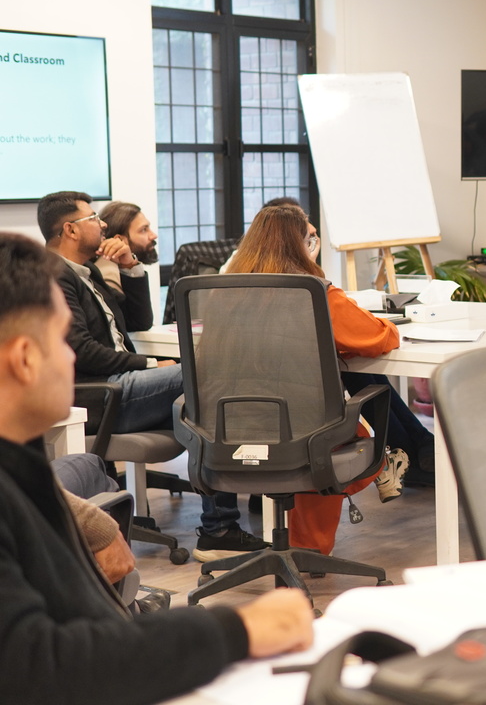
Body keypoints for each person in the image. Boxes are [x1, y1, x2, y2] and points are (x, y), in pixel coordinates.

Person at [0, 231, 313, 705]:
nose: (70, 356)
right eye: (61, 339)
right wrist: (238, 629)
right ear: (25, 359)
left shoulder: (20, 464)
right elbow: (39, 669)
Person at [37, 191, 268, 562]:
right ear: (70, 230)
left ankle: (220, 528)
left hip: (119, 385)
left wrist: (130, 267)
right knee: (208, 372)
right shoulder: (53, 275)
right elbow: (81, 351)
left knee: (205, 400)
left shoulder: (86, 271)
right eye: (92, 218)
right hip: (101, 394)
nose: (102, 224)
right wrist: (148, 365)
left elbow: (140, 322)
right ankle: (220, 526)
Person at [225, 204, 429, 552]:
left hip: (229, 428)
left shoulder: (224, 293)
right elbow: (380, 337)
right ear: (300, 246)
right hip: (306, 432)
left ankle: (301, 551)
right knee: (322, 432)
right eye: (310, 239)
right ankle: (309, 550)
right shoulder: (315, 292)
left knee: (305, 426)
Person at [95, 200, 160, 295]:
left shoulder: (127, 270)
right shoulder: (108, 279)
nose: (153, 236)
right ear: (119, 240)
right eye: (143, 230)